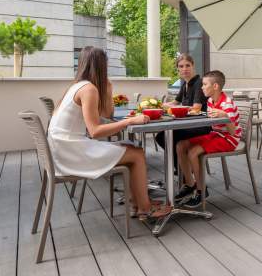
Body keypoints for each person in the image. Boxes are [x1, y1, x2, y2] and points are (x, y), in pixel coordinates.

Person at [48, 46, 169, 219]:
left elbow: (106, 115)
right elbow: (96, 131)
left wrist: (108, 89)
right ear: (101, 66)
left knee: (130, 148)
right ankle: (145, 208)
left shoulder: (77, 86)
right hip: (72, 153)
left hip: (63, 149)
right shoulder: (89, 89)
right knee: (137, 154)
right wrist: (129, 121)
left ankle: (138, 201)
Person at [175, 70, 241, 208]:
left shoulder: (227, 103)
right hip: (216, 134)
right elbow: (210, 120)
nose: (202, 87)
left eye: (205, 84)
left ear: (215, 86)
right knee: (181, 145)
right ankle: (190, 184)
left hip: (229, 138)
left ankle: (201, 191)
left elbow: (233, 131)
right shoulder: (210, 100)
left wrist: (225, 116)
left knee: (193, 152)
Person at [156, 53, 210, 169]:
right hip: (187, 123)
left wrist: (174, 109)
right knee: (163, 136)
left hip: (201, 125)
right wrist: (157, 105)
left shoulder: (198, 83)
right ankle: (182, 168)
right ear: (177, 69)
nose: (184, 69)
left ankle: (183, 170)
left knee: (166, 137)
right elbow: (175, 103)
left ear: (193, 66)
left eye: (187, 65)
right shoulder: (185, 84)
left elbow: (196, 108)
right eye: (181, 66)